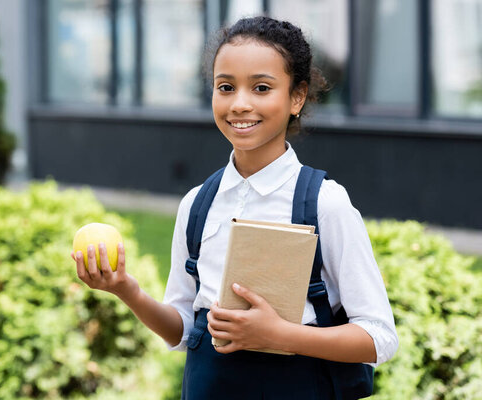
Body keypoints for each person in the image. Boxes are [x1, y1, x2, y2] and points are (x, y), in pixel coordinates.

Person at [72, 16, 398, 399]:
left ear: (297, 97)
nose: (240, 104)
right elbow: (182, 331)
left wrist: (278, 335)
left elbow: (379, 337)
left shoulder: (324, 202)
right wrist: (127, 290)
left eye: (261, 88)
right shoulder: (197, 204)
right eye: (225, 87)